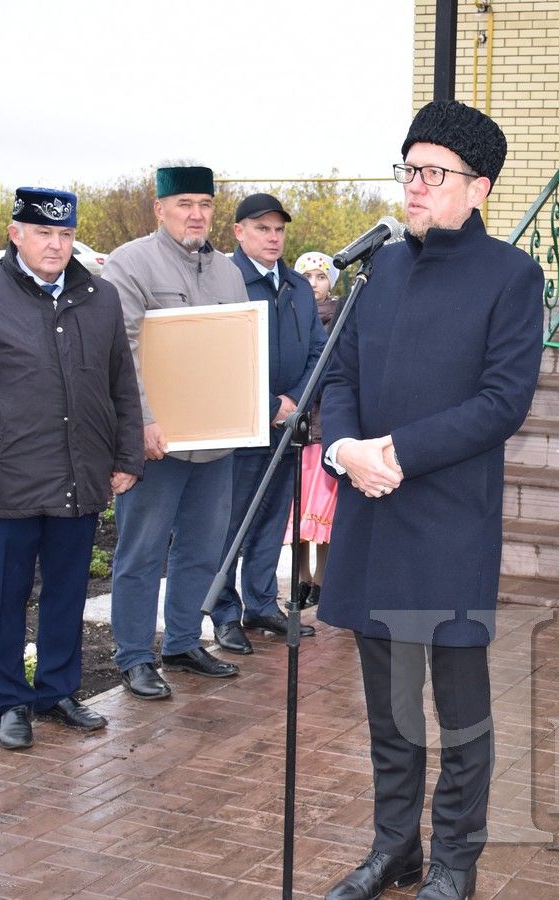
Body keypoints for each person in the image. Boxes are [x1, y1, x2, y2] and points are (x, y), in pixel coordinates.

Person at [317, 100, 543, 900]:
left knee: (458, 713)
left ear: (477, 187)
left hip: (447, 523)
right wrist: (345, 450)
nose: (413, 186)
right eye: (407, 168)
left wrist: (397, 453)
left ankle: (454, 859)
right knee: (386, 711)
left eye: (431, 172)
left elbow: (502, 401)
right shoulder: (378, 268)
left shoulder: (511, 276)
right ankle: (394, 848)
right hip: (370, 516)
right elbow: (336, 375)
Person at [0, 187, 144, 749]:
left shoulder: (99, 297)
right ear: (17, 235)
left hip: (80, 474)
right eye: (44, 234)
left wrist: (124, 458)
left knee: (68, 590)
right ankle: (9, 701)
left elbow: (121, 384)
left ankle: (56, 691)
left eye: (65, 234)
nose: (55, 245)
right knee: (4, 593)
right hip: (6, 475)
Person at [104, 165, 250, 700]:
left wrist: (244, 412)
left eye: (205, 204)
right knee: (141, 553)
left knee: (202, 548)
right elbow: (123, 353)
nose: (196, 214)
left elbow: (237, 349)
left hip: (215, 442)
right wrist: (140, 422)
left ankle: (184, 642)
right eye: (184, 203)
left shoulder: (229, 273)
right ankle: (136, 655)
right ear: (159, 208)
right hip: (156, 444)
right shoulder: (131, 264)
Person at [208, 195, 326, 655]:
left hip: (286, 426)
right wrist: (262, 404)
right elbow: (217, 353)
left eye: (278, 230)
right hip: (240, 426)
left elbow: (320, 349)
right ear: (238, 232)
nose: (273, 237)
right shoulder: (226, 281)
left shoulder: (296, 286)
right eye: (262, 229)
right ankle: (223, 612)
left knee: (272, 518)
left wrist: (294, 400)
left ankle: (260, 604)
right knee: (231, 523)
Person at [286, 251, 340, 608]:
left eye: (321, 277)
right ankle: (301, 579)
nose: (314, 284)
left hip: (324, 431)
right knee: (298, 515)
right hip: (298, 432)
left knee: (323, 514)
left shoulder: (340, 320)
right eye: (307, 278)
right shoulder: (294, 317)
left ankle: (322, 580)